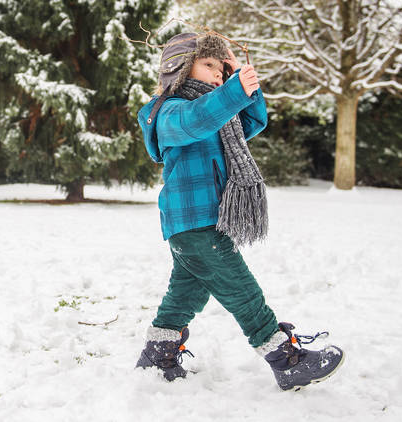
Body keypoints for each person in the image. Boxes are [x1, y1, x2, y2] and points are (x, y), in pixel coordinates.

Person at [134, 33, 344, 391]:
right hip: (193, 219)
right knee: (241, 290)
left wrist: (241, 80)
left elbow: (251, 122)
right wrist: (231, 92)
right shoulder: (166, 111)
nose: (217, 74)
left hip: (208, 220)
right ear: (181, 69)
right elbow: (196, 120)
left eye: (221, 67)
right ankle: (285, 360)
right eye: (209, 65)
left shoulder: (221, 115)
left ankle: (159, 352)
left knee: (188, 292)